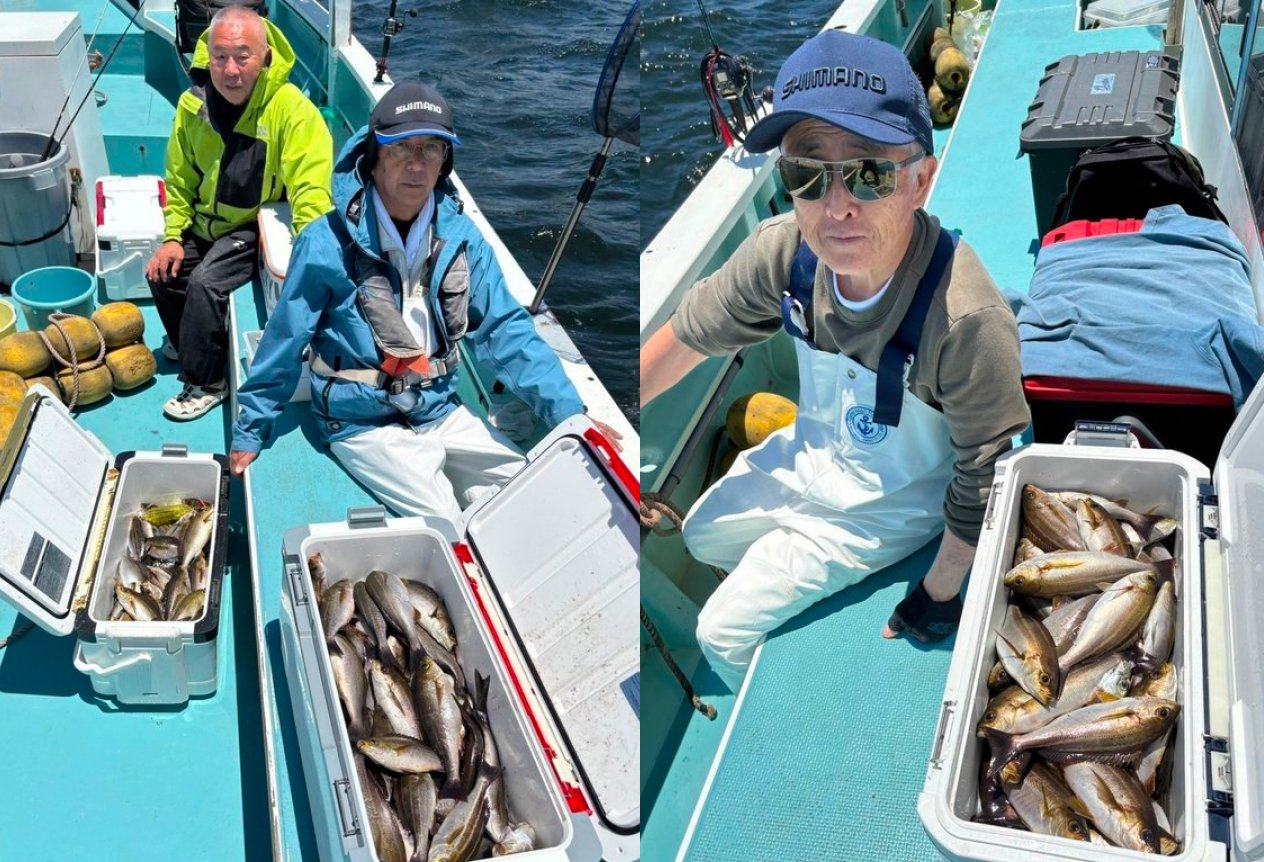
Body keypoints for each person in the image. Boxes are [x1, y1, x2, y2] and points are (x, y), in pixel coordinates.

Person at [639, 30, 1030, 685]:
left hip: (895, 501)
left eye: (871, 171)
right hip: (811, 455)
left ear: (921, 182)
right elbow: (685, 337)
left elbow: (985, 472)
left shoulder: (965, 317)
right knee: (701, 534)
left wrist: (940, 590)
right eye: (807, 173)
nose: (838, 206)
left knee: (719, 630)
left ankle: (768, 709)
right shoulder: (783, 254)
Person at [230, 80, 622, 525]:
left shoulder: (463, 239)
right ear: (373, 159)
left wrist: (569, 415)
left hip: (440, 407)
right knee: (447, 520)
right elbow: (285, 338)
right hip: (360, 423)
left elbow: (506, 328)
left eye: (431, 150)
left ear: (444, 164)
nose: (417, 165)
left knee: (527, 493)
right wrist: (251, 428)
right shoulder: (324, 243)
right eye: (402, 149)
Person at [146, 6, 333, 421]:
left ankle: (208, 380)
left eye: (243, 57)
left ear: (265, 57)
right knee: (161, 273)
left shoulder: (292, 111)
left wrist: (312, 254)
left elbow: (310, 189)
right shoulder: (191, 105)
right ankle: (186, 339)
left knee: (205, 283)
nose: (230, 70)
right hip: (203, 222)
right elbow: (178, 177)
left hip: (251, 225)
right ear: (205, 55)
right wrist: (174, 235)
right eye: (220, 57)